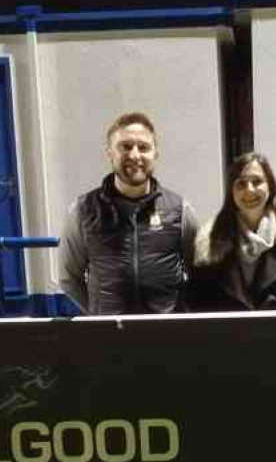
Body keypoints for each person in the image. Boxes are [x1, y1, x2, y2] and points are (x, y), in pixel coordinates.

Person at [58, 112, 199, 314]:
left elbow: (201, 275)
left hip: (167, 336)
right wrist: (98, 315)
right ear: (110, 152)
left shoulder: (180, 210)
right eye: (125, 146)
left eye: (143, 148)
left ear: (155, 154)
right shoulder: (82, 211)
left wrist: (178, 315)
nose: (134, 155)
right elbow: (68, 277)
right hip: (109, 337)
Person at [189, 153, 276, 311]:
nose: (249, 190)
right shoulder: (208, 245)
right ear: (231, 191)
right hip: (227, 335)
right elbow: (198, 308)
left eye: (257, 182)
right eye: (241, 184)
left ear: (270, 186)